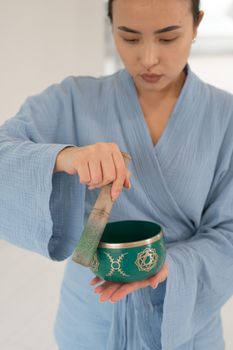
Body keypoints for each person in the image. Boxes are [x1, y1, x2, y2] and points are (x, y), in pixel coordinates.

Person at [1, 0, 233, 349]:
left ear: (197, 24)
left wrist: (173, 266)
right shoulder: (72, 99)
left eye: (168, 38)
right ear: (111, 26)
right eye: (130, 38)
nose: (149, 58)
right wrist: (64, 157)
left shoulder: (225, 118)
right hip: (91, 319)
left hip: (183, 323)